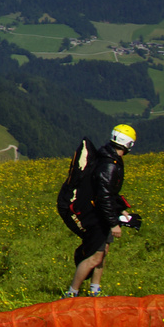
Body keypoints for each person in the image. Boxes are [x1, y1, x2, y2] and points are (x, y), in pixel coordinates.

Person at [61, 124, 140, 298]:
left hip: (101, 213)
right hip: (98, 216)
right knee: (94, 257)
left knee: (102, 254)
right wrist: (114, 224)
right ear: (128, 144)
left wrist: (122, 211)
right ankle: (71, 293)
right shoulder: (109, 164)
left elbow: (108, 193)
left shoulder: (108, 157)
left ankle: (95, 290)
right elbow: (103, 196)